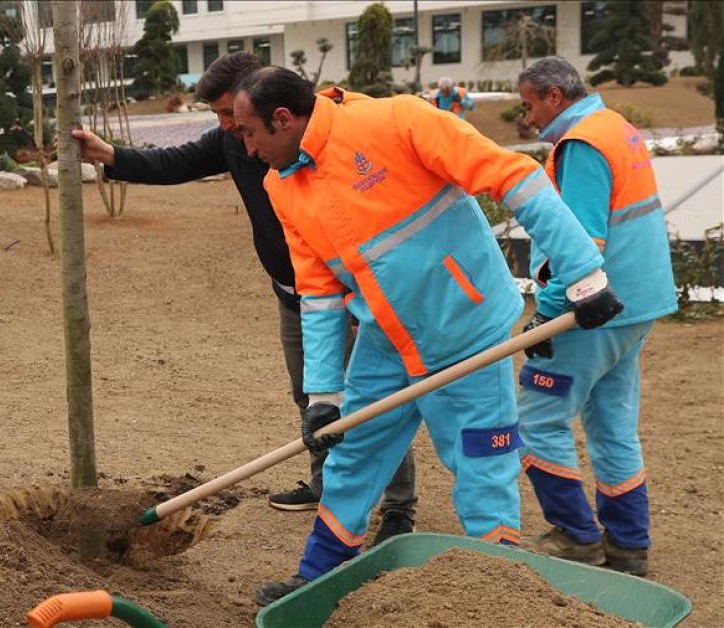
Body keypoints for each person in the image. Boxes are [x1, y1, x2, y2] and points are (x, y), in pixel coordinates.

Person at [230, 67, 624, 606]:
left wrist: (584, 272)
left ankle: (501, 594)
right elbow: (318, 291)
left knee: (482, 464)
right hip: (386, 339)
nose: (247, 150)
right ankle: (317, 575)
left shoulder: (397, 120)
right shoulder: (283, 185)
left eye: (248, 132)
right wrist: (324, 395)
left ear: (283, 119)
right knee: (353, 455)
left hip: (468, 328)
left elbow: (514, 177)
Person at [71, 52, 417, 542]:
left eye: (227, 114)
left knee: (371, 401)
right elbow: (177, 162)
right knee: (312, 395)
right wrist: (110, 156)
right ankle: (325, 482)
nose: (225, 126)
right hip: (293, 294)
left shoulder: (319, 137)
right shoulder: (235, 141)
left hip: (349, 296)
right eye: (218, 116)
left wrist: (369, 300)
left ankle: (400, 508)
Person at [514, 57, 677, 577]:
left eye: (530, 105)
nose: (528, 118)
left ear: (554, 97)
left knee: (538, 416)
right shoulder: (616, 128)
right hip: (637, 304)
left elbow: (582, 244)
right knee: (612, 425)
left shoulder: (580, 145)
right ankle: (629, 547)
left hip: (595, 310)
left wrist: (550, 311)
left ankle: (576, 536)